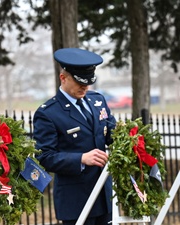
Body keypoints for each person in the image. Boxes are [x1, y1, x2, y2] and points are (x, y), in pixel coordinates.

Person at [33, 48, 117, 225]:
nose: (85, 87)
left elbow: (111, 133)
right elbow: (45, 157)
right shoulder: (48, 113)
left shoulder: (97, 101)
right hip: (76, 200)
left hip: (104, 196)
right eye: (79, 82)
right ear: (63, 78)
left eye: (88, 82)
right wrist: (81, 159)